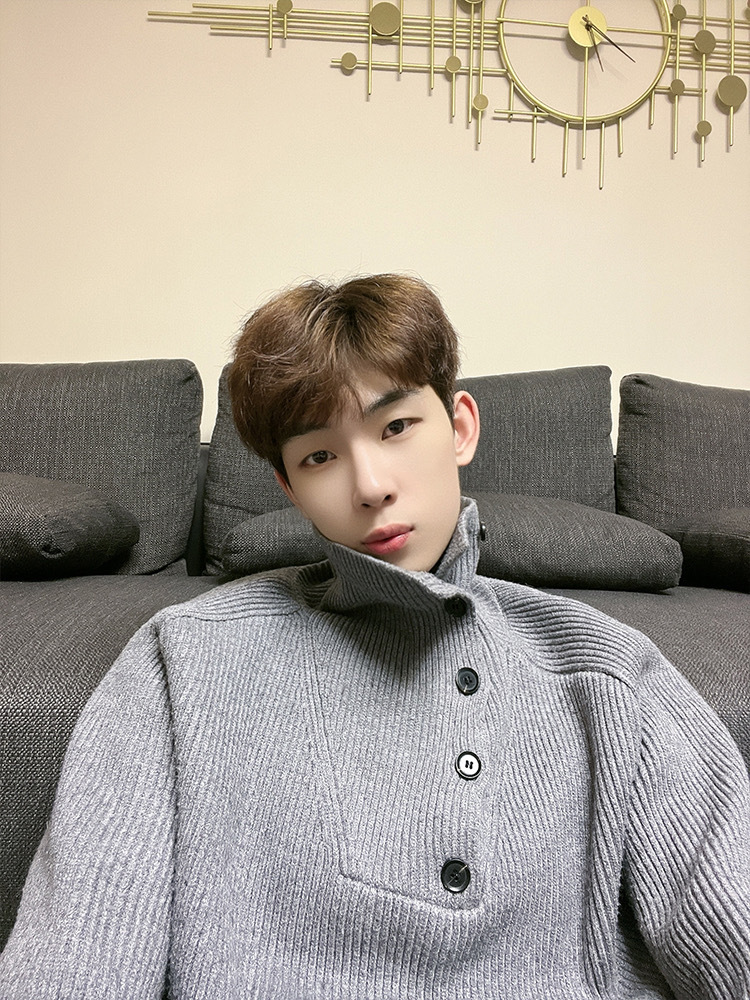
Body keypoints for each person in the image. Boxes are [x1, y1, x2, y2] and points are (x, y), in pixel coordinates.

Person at [1, 273, 748, 999]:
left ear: (460, 427)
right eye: (319, 456)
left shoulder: (607, 670)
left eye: (396, 427)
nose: (370, 486)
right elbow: (78, 952)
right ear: (289, 487)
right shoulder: (181, 660)